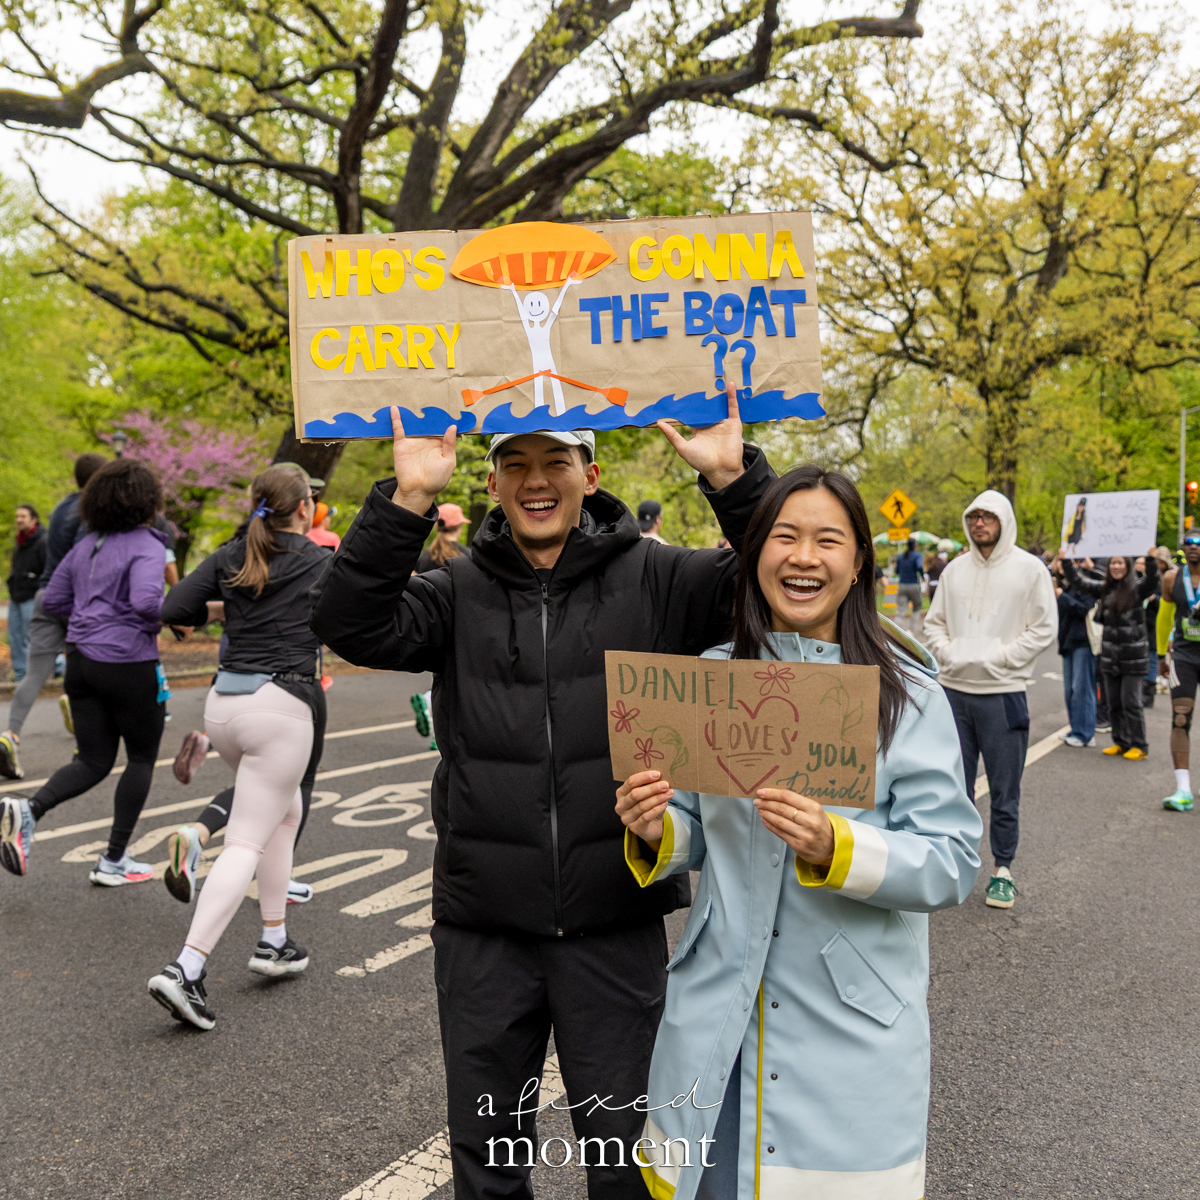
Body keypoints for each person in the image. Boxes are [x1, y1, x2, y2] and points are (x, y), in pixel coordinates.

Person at [310, 393, 772, 1200]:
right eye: (515, 464)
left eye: (556, 462)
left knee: (629, 1163)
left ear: (590, 476)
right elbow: (349, 624)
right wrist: (410, 497)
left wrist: (735, 480)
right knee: (488, 1166)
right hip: (484, 932)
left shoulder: (660, 576)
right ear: (491, 484)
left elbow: (775, 579)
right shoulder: (454, 591)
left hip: (615, 924)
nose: (536, 480)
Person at [616, 465, 981, 1200]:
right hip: (715, 1013)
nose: (803, 557)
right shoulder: (712, 679)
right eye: (784, 537)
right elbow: (702, 830)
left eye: (827, 540)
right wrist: (657, 827)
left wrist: (835, 847)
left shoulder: (908, 695)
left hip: (846, 1029)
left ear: (858, 565)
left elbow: (952, 862)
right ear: (754, 558)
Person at [147, 464, 330, 1030]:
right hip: (281, 705)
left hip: (224, 706)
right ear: (304, 508)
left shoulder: (232, 555)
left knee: (284, 812)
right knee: (247, 839)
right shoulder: (318, 558)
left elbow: (175, 609)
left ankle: (274, 940)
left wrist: (226, 606)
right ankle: (186, 968)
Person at [0, 459, 170, 884]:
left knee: (93, 760)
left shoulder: (87, 544)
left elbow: (55, 598)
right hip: (129, 662)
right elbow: (148, 603)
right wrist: (180, 618)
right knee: (142, 759)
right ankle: (113, 859)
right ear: (146, 500)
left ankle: (30, 809)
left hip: (81, 663)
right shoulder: (148, 543)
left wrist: (92, 613)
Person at [923, 490, 1057, 910]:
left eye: (989, 517)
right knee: (951, 788)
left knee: (1004, 790)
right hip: (953, 693)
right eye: (975, 516)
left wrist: (1001, 658)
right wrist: (948, 654)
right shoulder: (954, 571)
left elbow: (1043, 628)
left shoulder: (1029, 570)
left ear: (1004, 521)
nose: (980, 523)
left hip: (1004, 694)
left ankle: (1003, 869)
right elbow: (934, 623)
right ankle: (955, 868)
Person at [0, 453, 107, 780]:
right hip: (73, 598)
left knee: (34, 673)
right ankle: (85, 746)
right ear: (99, 479)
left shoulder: (61, 507)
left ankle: (10, 735)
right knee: (85, 670)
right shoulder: (90, 511)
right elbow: (82, 555)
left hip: (44, 597)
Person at [1059, 550, 1157, 759]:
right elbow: (1079, 583)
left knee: (1131, 703)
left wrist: (1150, 560)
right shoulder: (1104, 590)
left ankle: (1139, 745)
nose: (1116, 567)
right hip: (1110, 656)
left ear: (1128, 566)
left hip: (1134, 657)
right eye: (1113, 563)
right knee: (1114, 704)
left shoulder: (1137, 589)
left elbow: (1152, 580)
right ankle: (1120, 742)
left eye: (1121, 563)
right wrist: (1067, 561)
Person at [410, 502, 472, 743]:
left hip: (432, 627)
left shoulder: (424, 558)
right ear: (458, 525)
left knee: (441, 678)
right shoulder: (467, 556)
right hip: (461, 626)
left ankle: (431, 705)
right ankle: (440, 723)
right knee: (460, 685)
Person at [1157, 534, 1200, 811]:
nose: (1193, 546)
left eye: (1198, 542)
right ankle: (1183, 789)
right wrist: (1161, 654)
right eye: (1189, 542)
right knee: (1181, 717)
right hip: (1184, 656)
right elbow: (1164, 618)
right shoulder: (1172, 579)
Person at [1051, 555, 1097, 747]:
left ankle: (1085, 733)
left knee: (1082, 689)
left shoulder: (1087, 585)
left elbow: (1083, 609)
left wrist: (1063, 597)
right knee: (1070, 690)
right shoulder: (1066, 586)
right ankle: (1075, 728)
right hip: (1068, 642)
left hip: (1083, 643)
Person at [6, 505, 45, 682]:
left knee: (35, 637)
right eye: (17, 516)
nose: (19, 519)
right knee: (15, 637)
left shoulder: (42, 541)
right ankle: (21, 674)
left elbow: (49, 570)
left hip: (33, 596)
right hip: (16, 595)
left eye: (23, 516)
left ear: (33, 519)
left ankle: (58, 665)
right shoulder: (19, 540)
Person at [893, 536, 925, 631]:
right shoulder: (917, 555)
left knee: (900, 611)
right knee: (917, 607)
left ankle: (897, 632)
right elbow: (919, 566)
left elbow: (897, 571)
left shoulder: (900, 556)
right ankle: (911, 630)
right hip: (913, 585)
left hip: (902, 585)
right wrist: (922, 575)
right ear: (916, 545)